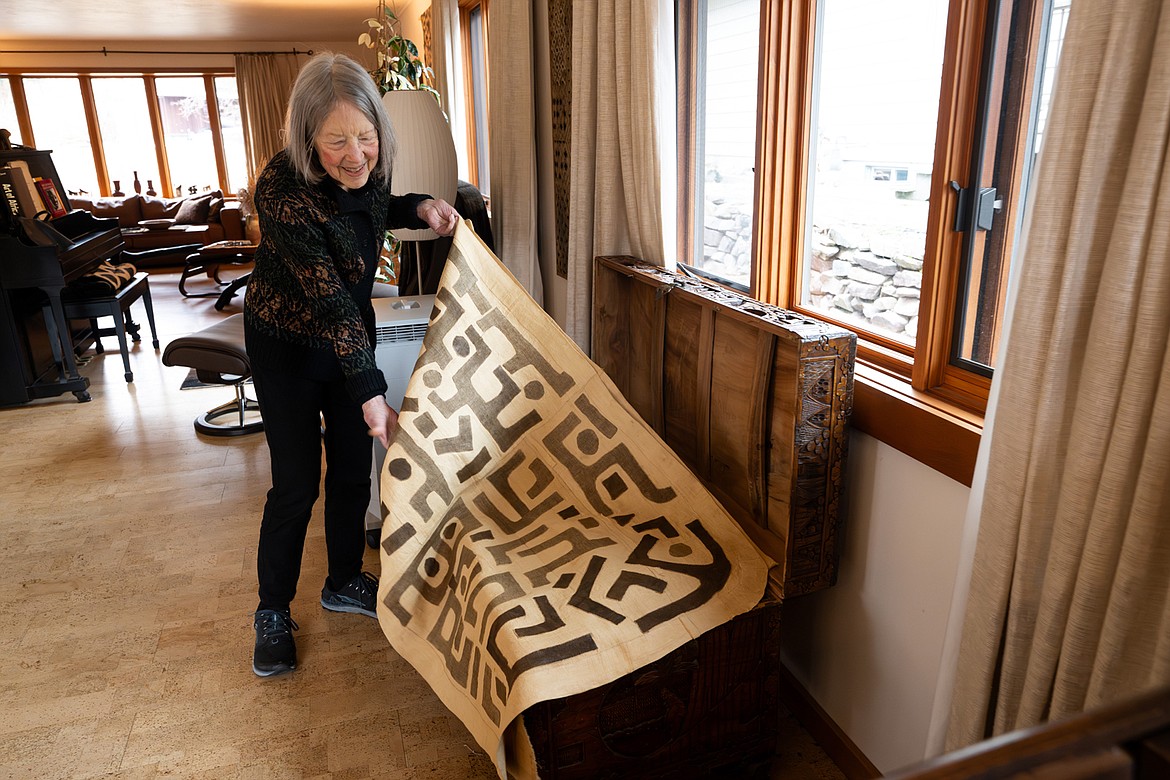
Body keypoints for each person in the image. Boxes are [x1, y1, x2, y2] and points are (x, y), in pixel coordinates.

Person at [243, 52, 459, 677]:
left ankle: (342, 579)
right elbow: (330, 296)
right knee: (296, 483)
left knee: (348, 470)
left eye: (366, 137)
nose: (356, 154)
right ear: (307, 137)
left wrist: (418, 205)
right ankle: (272, 609)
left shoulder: (370, 161)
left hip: (345, 340)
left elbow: (370, 204)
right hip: (285, 346)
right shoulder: (280, 189)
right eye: (336, 141)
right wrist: (370, 390)